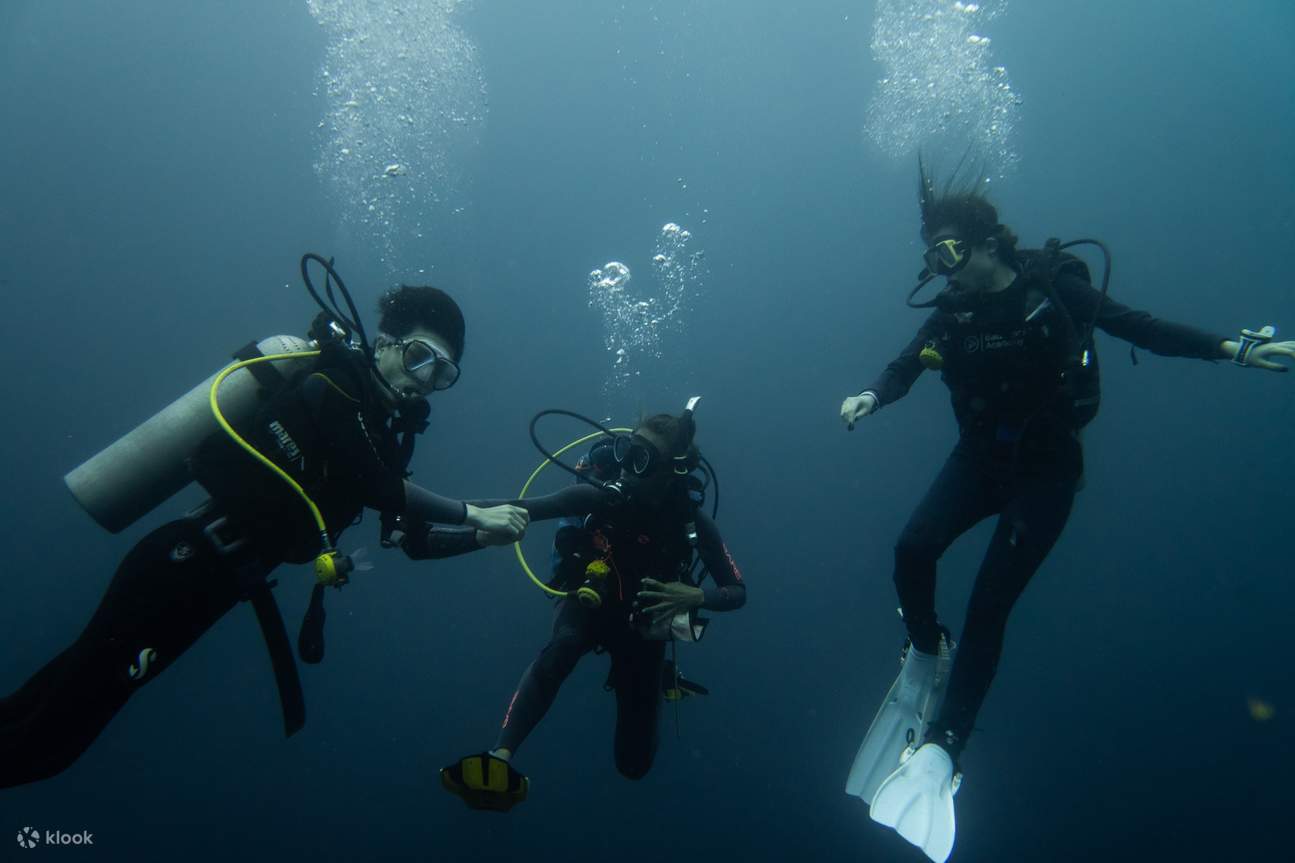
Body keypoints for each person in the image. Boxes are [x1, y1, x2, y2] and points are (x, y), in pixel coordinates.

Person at [839, 160, 1294, 863]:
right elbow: (903, 364)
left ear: (987, 243)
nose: (938, 269)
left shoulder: (1053, 285)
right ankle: (926, 650)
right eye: (931, 257)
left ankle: (941, 750)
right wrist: (872, 394)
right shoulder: (951, 312)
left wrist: (1233, 348)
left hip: (1045, 475)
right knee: (909, 550)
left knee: (991, 603)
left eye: (948, 253)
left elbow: (1138, 326)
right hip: (978, 461)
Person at [0, 266, 528, 789]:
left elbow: (409, 539)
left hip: (218, 587)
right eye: (418, 357)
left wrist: (477, 538)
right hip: (181, 561)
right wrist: (472, 511)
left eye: (442, 374)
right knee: (49, 738)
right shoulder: (331, 384)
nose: (424, 381)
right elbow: (373, 484)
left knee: (46, 719)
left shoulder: (382, 440)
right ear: (385, 344)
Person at [440, 401, 746, 811]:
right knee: (563, 647)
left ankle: (660, 678)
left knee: (633, 765)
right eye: (625, 450)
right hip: (588, 601)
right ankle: (500, 754)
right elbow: (519, 506)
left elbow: (737, 590)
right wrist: (434, 513)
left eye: (640, 459)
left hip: (643, 623)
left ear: (672, 470)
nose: (624, 467)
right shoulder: (599, 497)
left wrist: (696, 596)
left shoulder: (691, 523)